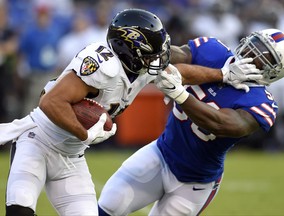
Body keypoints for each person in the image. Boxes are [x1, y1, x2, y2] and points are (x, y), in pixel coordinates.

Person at [1, 8, 259, 216]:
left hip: (71, 156)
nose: (159, 57)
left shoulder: (142, 67)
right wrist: (85, 132)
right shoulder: (103, 64)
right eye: (152, 51)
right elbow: (51, 103)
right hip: (39, 141)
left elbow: (180, 72)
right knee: (20, 209)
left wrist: (222, 74)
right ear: (130, 49)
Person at [97, 28, 284, 216]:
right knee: (108, 206)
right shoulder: (213, 51)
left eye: (264, 55)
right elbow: (167, 61)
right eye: (253, 44)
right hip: (160, 154)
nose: (250, 52)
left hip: (194, 183)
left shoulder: (262, 103)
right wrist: (221, 73)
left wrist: (180, 95)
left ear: (275, 71)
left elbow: (221, 124)